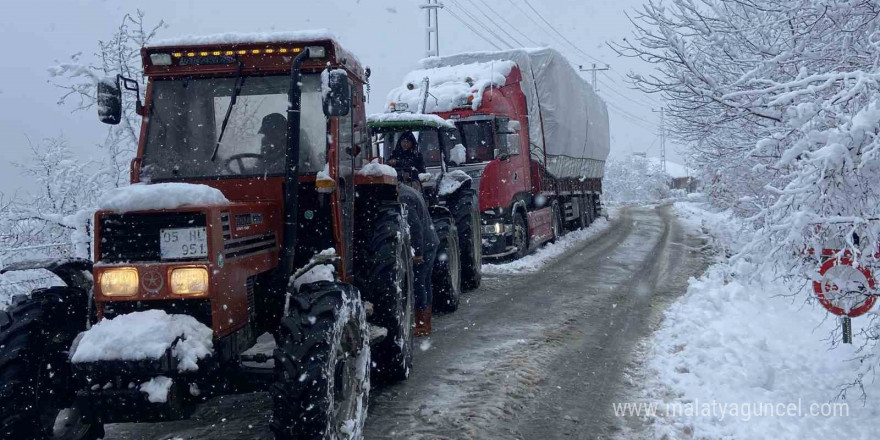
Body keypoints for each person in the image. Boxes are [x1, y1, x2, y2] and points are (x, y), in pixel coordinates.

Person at [398, 182, 439, 336]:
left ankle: (421, 324)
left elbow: (415, 227)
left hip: (424, 245)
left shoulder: (404, 198)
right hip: (431, 241)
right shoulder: (408, 191)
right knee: (425, 283)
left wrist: (418, 253)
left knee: (418, 284)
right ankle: (426, 323)